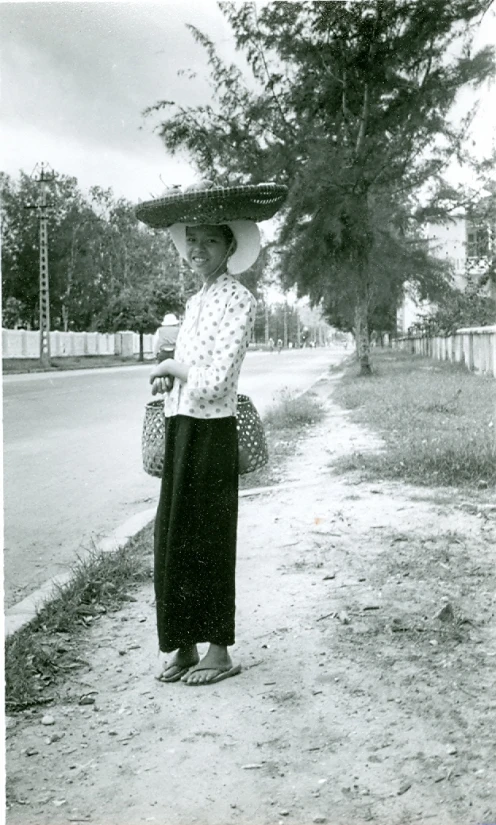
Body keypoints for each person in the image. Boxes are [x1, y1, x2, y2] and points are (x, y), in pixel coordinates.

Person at [135, 181, 287, 686]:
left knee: (208, 537)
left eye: (209, 241)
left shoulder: (238, 300)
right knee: (172, 536)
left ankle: (219, 650)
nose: (198, 249)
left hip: (213, 432)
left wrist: (171, 367)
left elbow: (216, 378)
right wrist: (168, 372)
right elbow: (187, 367)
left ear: (230, 246)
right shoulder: (196, 301)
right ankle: (182, 645)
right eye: (190, 240)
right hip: (181, 426)